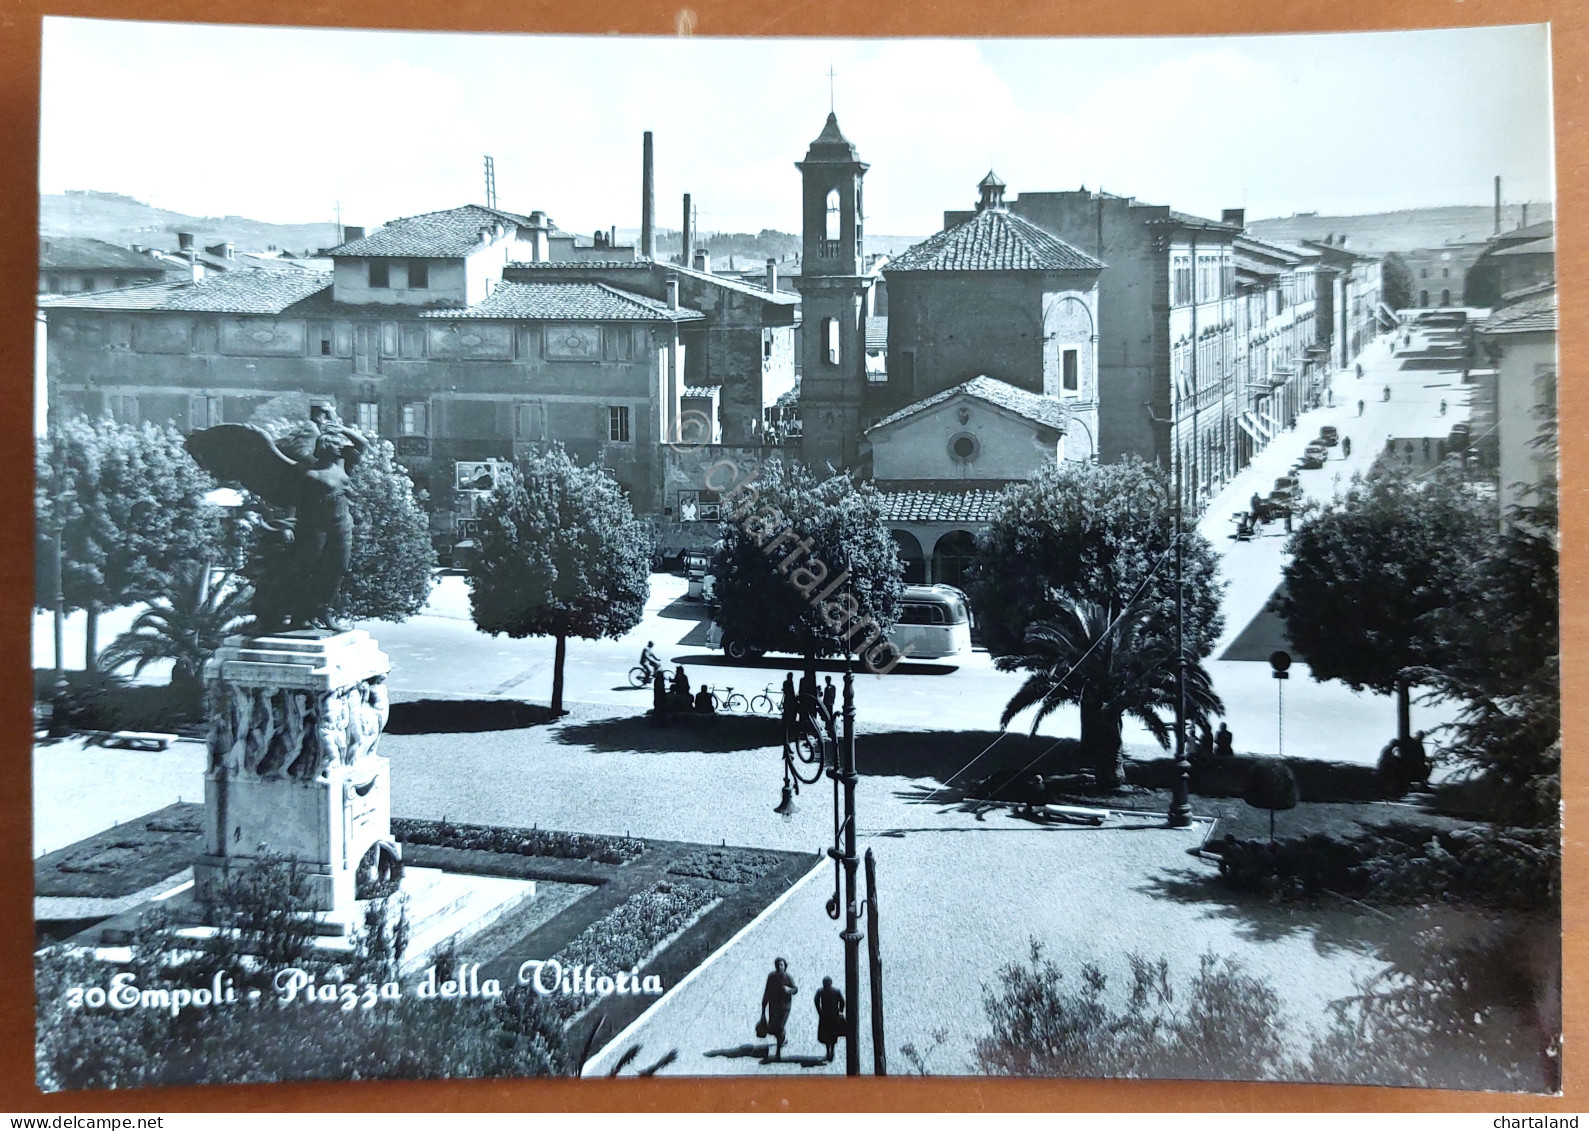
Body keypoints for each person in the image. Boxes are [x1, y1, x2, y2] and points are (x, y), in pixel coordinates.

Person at [760, 958, 797, 1061]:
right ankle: (782, 1038)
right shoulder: (771, 977)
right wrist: (763, 1007)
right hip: (774, 1006)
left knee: (780, 1027)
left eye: (782, 965)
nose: (780, 967)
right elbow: (767, 991)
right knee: (774, 1028)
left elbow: (795, 989)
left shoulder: (788, 977)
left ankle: (778, 1053)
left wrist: (789, 990)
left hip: (785, 1007)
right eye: (778, 965)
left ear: (785, 966)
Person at [813, 976, 846, 1063]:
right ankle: (832, 1052)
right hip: (834, 1015)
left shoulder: (821, 991)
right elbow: (842, 1001)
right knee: (833, 1035)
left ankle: (828, 1052)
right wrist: (840, 1011)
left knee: (827, 1036)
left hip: (825, 1015)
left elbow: (816, 1000)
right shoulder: (836, 991)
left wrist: (819, 1011)